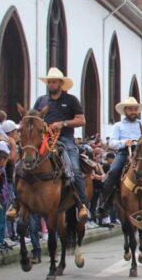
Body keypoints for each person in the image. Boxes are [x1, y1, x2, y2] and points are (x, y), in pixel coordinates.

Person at [7, 67, 89, 221]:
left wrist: (63, 123)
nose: (51, 84)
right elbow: (32, 118)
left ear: (60, 83)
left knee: (74, 169)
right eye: (49, 82)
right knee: (19, 167)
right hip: (42, 139)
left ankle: (81, 205)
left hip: (65, 140)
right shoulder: (41, 100)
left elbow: (81, 120)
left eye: (54, 82)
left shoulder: (71, 100)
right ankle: (14, 203)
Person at [97, 97, 142, 216]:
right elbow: (111, 142)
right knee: (113, 172)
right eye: (130, 109)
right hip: (125, 152)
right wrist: (124, 142)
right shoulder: (118, 125)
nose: (133, 111)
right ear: (125, 111)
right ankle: (104, 203)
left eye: (135, 109)